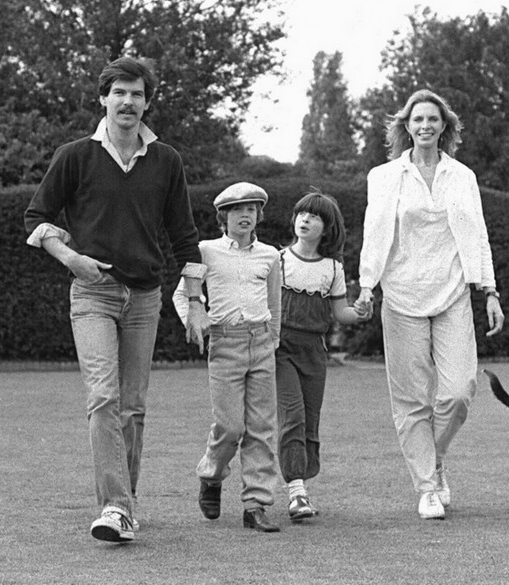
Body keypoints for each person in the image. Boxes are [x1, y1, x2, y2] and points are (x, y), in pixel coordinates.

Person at [24, 56, 208, 543]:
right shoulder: (75, 156)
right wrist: (72, 259)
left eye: (137, 94)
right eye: (119, 92)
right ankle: (116, 507)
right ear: (103, 98)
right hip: (92, 293)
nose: (128, 102)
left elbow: (184, 237)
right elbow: (36, 218)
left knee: (133, 407)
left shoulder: (167, 161)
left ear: (147, 103)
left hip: (145, 298)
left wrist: (196, 303)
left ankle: (122, 502)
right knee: (103, 397)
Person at [354, 89, 504, 520]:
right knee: (411, 400)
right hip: (401, 297)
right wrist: (366, 286)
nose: (425, 126)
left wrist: (491, 291)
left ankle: (433, 459)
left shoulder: (462, 176)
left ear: (444, 127)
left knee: (458, 392)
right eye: (418, 119)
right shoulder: (384, 176)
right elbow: (374, 233)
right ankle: (427, 487)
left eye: (433, 119)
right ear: (406, 126)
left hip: (453, 295)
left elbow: (478, 235)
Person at [172, 182, 283, 533]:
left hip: (261, 343)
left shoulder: (270, 255)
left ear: (258, 215)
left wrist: (273, 339)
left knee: (261, 428)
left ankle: (256, 505)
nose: (244, 216)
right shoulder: (206, 251)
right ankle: (211, 475)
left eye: (251, 209)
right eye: (237, 210)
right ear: (224, 216)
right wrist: (195, 319)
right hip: (224, 344)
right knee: (230, 426)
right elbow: (181, 295)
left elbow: (274, 302)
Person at [275, 190, 369, 522]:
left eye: (314, 216)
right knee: (293, 416)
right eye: (302, 213)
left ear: (327, 228)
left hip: (314, 353)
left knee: (310, 422)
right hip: (280, 350)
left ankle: (302, 480)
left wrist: (361, 312)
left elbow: (341, 313)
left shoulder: (333, 267)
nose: (305, 219)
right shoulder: (278, 260)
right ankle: (296, 493)